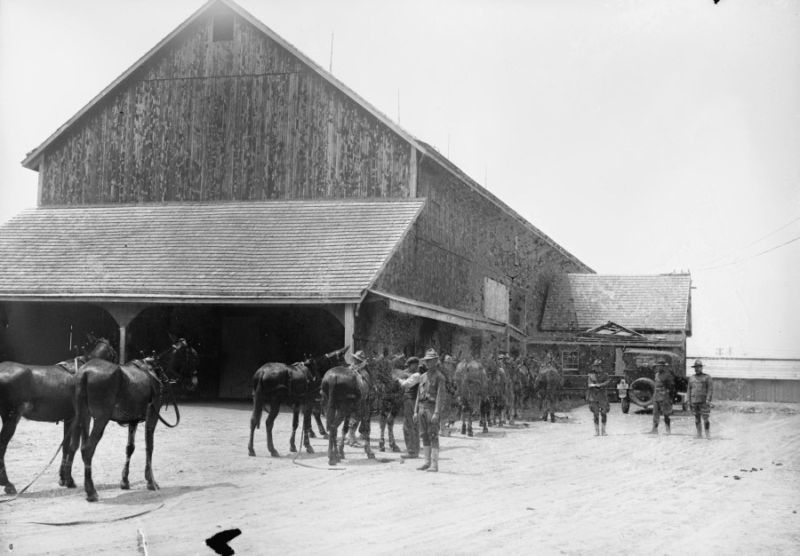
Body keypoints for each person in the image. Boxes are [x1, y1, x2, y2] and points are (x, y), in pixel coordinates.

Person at [414, 348, 447, 472]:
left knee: (433, 435)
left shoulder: (440, 377)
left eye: (430, 361)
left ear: (436, 361)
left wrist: (437, 413)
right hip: (422, 408)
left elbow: (440, 396)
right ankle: (426, 462)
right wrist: (415, 411)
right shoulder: (422, 377)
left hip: (432, 409)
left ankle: (434, 464)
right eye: (426, 361)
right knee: (424, 435)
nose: (428, 363)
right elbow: (418, 394)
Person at [397, 356, 422, 458]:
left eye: (409, 366)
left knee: (408, 426)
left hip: (411, 401)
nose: (408, 368)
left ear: (414, 365)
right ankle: (413, 450)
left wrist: (398, 379)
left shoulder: (416, 375)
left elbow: (405, 385)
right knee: (411, 426)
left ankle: (412, 451)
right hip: (410, 400)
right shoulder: (414, 374)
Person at [687, 359, 713, 439]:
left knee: (705, 418)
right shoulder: (691, 378)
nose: (697, 369)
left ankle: (707, 434)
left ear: (701, 368)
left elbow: (710, 389)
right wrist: (689, 401)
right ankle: (699, 434)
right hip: (694, 401)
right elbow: (689, 390)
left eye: (698, 367)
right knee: (697, 418)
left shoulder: (707, 377)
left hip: (704, 402)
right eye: (695, 367)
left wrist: (708, 399)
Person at [649, 358, 675, 435]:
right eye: (658, 366)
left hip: (664, 397)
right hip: (656, 396)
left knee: (666, 414)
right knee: (655, 413)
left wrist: (668, 395)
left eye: (661, 366)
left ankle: (668, 430)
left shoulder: (667, 375)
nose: (659, 367)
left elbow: (671, 386)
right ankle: (654, 429)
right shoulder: (656, 375)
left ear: (664, 367)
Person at [587, 359, 611, 436]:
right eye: (595, 366)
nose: (597, 368)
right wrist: (594, 385)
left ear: (601, 367)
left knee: (604, 413)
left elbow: (607, 382)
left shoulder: (606, 375)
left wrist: (600, 385)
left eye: (598, 366)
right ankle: (596, 431)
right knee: (595, 414)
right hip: (594, 397)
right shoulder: (591, 375)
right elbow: (589, 384)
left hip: (603, 397)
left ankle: (603, 431)